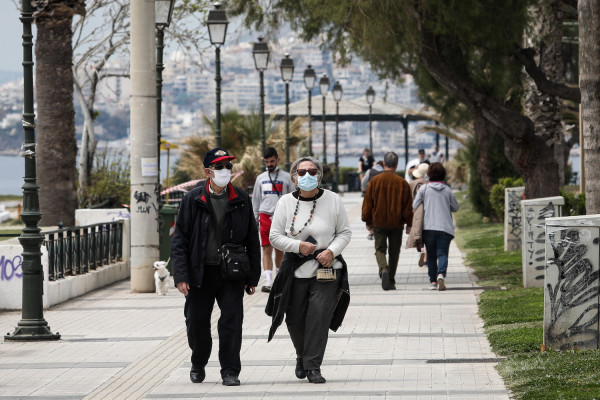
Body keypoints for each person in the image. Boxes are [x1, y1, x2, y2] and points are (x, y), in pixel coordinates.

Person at [170, 148, 261, 386]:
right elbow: (179, 239)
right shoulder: (193, 199)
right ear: (208, 171)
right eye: (219, 167)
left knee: (231, 322)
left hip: (231, 274)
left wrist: (252, 277)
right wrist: (181, 275)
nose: (225, 171)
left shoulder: (240, 198)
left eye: (228, 166)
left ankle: (230, 370)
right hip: (200, 273)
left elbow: (252, 239)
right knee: (196, 322)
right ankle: (198, 362)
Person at [266, 156, 352, 384]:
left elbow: (344, 232)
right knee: (294, 317)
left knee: (319, 313)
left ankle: (313, 366)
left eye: (312, 172)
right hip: (294, 266)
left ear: (319, 175)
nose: (307, 176)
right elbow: (274, 236)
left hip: (326, 265)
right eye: (302, 172)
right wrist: (298, 246)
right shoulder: (285, 202)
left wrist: (331, 251)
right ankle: (302, 354)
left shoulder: (333, 200)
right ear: (294, 177)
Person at [362, 152, 413, 291]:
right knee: (394, 252)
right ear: (397, 165)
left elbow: (367, 203)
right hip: (396, 223)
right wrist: (409, 223)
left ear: (384, 164)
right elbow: (408, 207)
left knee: (380, 249)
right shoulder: (402, 183)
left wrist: (367, 220)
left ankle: (383, 269)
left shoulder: (374, 181)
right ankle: (390, 279)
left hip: (378, 222)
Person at [252, 147, 294, 293]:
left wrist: (292, 218)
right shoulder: (260, 178)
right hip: (264, 215)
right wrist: (255, 218)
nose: (269, 164)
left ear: (278, 160)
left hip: (281, 216)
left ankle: (279, 279)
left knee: (280, 249)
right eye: (267, 162)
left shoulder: (287, 177)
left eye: (272, 161)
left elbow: (293, 198)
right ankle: (268, 281)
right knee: (266, 248)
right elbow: (256, 201)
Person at [412, 162, 459, 291]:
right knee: (442, 253)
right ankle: (441, 274)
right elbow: (456, 207)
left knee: (431, 255)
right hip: (445, 228)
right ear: (443, 175)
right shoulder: (447, 190)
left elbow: (415, 206)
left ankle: (432, 282)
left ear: (429, 174)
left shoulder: (424, 189)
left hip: (428, 227)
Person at [407, 163, 429, 267]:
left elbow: (409, 200)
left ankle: (421, 249)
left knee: (418, 233)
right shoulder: (429, 183)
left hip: (416, 212)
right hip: (429, 211)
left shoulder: (412, 183)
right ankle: (426, 258)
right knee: (429, 234)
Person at [361, 160, 384, 240]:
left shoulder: (369, 171)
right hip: (381, 196)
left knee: (369, 212)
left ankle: (371, 232)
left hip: (370, 194)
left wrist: (364, 190)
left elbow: (364, 181)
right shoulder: (384, 172)